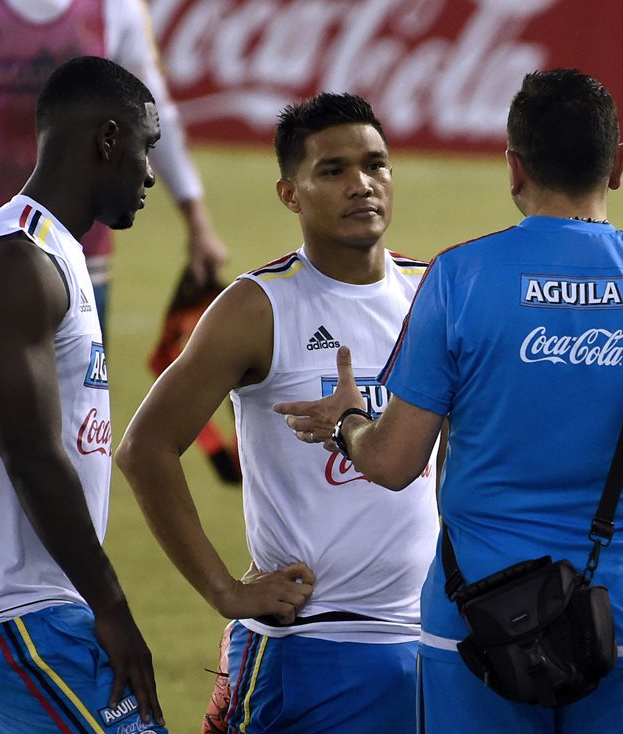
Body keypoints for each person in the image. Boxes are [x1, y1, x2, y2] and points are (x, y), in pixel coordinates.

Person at [273, 69, 623, 734]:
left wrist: (351, 421)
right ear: (617, 165)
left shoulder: (459, 277)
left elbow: (392, 462)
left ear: (514, 167)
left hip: (479, 623)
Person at [115, 92, 440, 734]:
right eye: (333, 170)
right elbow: (144, 449)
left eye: (376, 165)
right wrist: (225, 593)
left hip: (432, 644)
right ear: (290, 194)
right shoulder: (258, 308)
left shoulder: (433, 293)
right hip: (308, 649)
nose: (362, 185)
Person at [0, 56, 167, 732]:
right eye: (147, 148)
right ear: (108, 139)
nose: (149, 175)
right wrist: (112, 610)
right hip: (12, 614)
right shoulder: (16, 262)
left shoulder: (59, 254)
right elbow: (29, 453)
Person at [0, 0, 228, 337]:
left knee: (82, 393)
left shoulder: (118, 6)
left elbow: (153, 113)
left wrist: (198, 224)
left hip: (79, 249)